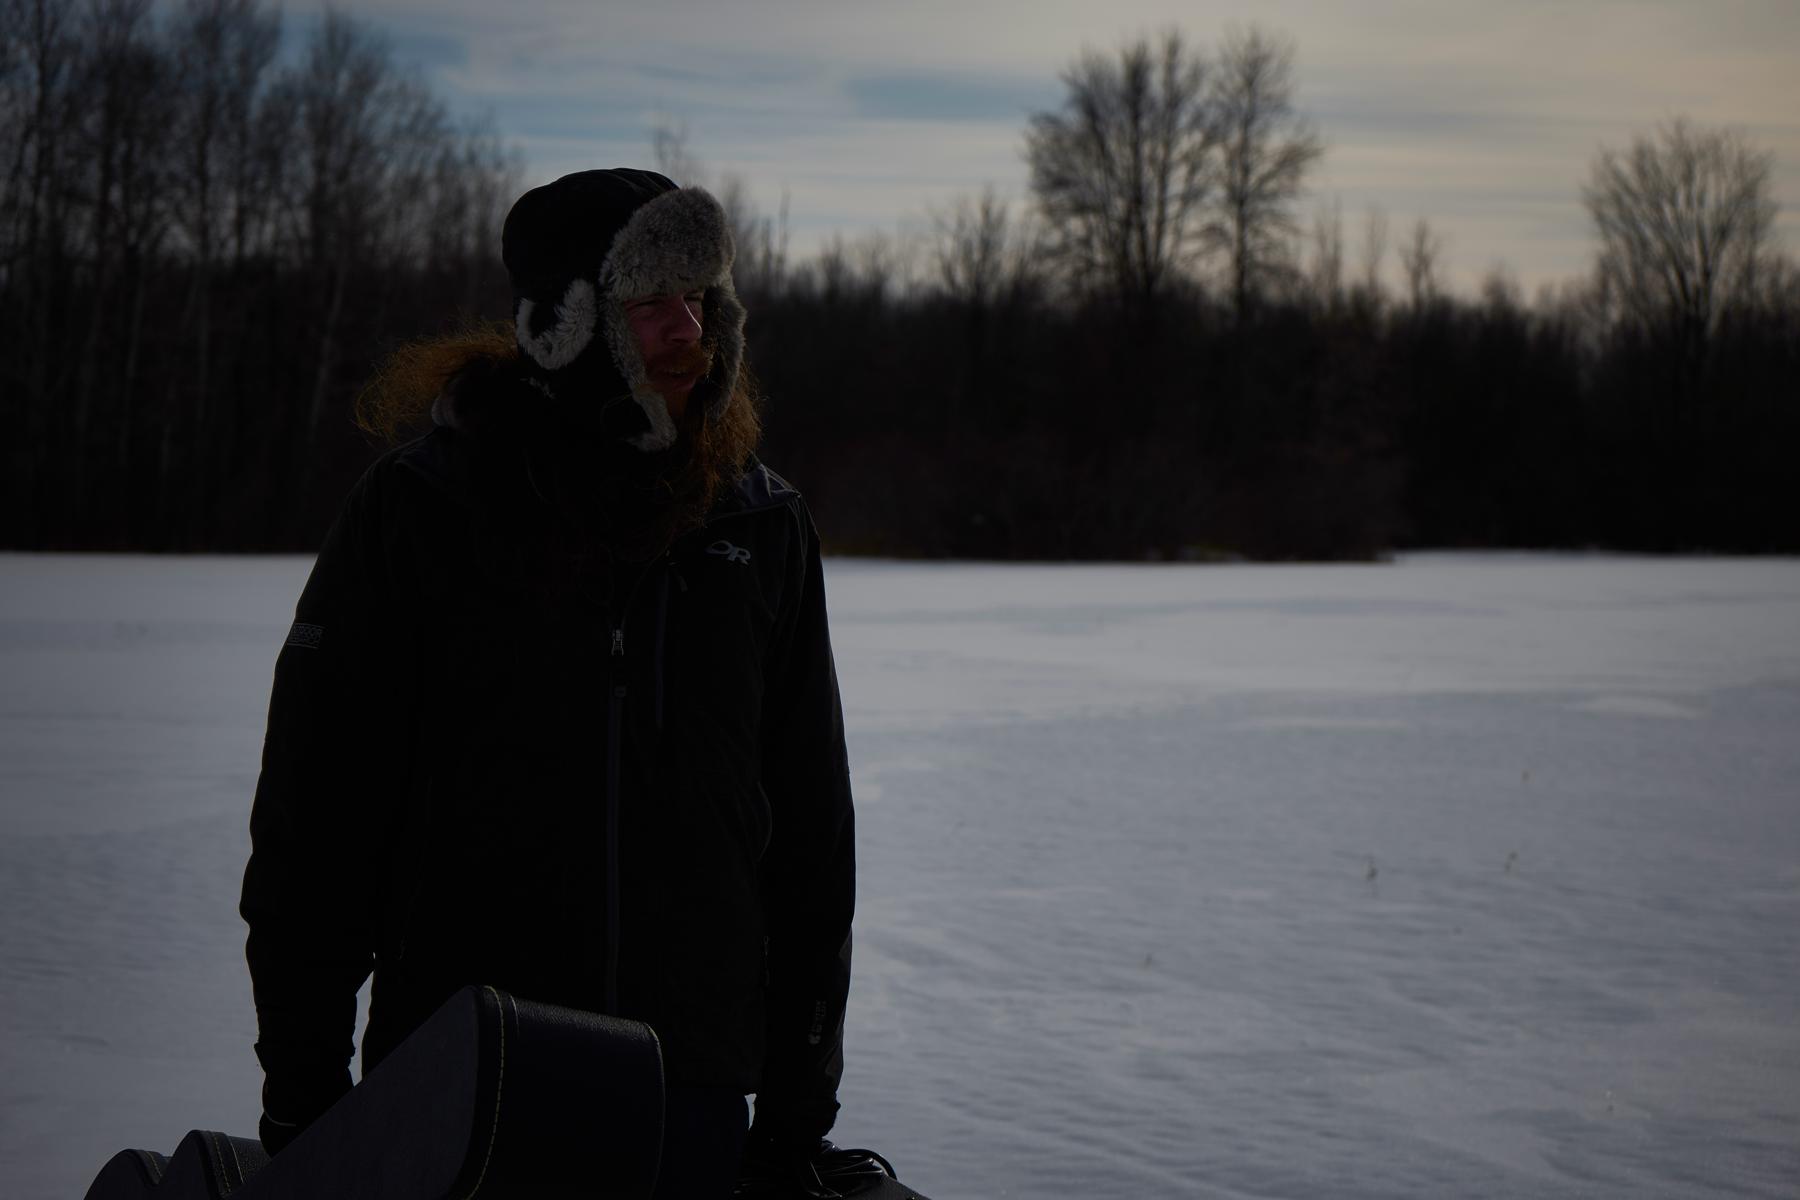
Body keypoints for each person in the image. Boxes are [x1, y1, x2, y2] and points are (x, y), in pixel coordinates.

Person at [239, 168, 856, 1197]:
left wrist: (797, 1101)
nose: (686, 329)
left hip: (690, 1098)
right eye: (650, 302)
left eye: (702, 298)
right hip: (469, 1089)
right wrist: (305, 1095)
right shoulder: (423, 513)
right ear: (567, 323)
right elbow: (319, 824)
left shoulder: (759, 527)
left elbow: (809, 840)